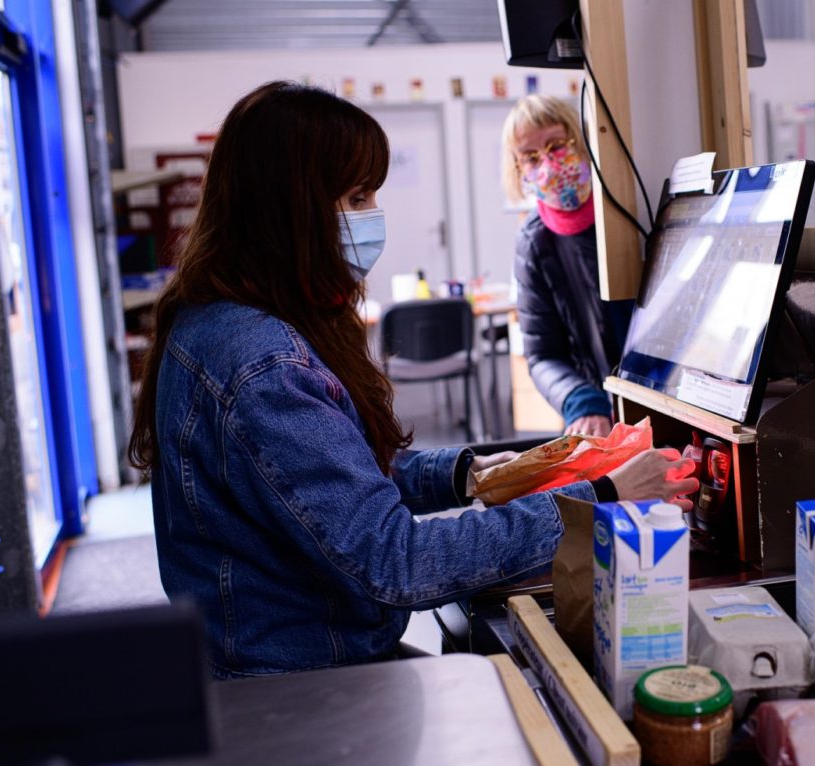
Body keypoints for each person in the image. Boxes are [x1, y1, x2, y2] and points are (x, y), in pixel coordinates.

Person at [128, 82, 696, 678]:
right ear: (288, 209)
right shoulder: (264, 366)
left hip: (290, 651)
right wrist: (601, 499)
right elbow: (397, 563)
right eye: (356, 195)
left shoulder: (219, 320)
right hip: (295, 679)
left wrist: (467, 475)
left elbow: (326, 477)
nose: (373, 215)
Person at [501, 95, 635, 437]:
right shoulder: (534, 244)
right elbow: (542, 353)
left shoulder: (628, 206)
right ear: (519, 169)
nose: (546, 163)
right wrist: (580, 399)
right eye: (530, 157)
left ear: (579, 138)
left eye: (556, 145)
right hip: (597, 414)